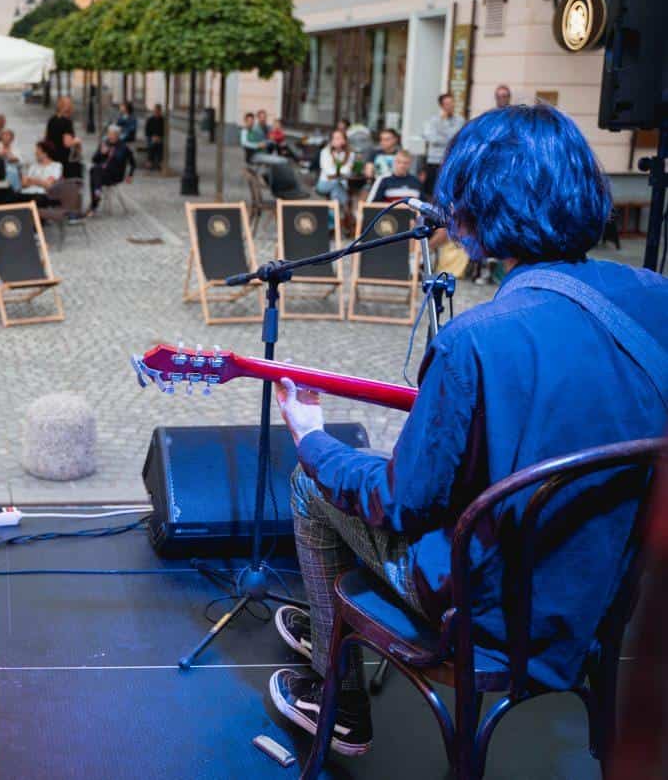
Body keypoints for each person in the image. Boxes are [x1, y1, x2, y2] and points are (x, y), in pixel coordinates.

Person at [266, 104, 668, 758]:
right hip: (601, 592)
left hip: (496, 614)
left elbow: (404, 505)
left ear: (478, 205)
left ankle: (338, 706)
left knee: (312, 484)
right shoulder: (656, 297)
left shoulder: (475, 343)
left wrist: (310, 436)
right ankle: (326, 627)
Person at [422, 93, 464, 197]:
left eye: (452, 102)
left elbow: (460, 138)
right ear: (442, 106)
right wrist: (450, 138)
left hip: (452, 160)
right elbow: (430, 138)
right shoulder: (433, 121)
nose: (451, 106)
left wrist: (441, 135)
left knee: (451, 190)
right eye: (447, 103)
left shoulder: (460, 120)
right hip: (435, 160)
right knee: (432, 191)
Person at [88, 125, 135, 212]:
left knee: (95, 171)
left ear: (117, 135)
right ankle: (96, 194)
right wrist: (101, 153)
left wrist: (130, 175)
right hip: (102, 174)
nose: (109, 136)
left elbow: (131, 162)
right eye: (109, 134)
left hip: (115, 174)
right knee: (94, 170)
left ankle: (95, 201)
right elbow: (94, 159)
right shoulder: (104, 143)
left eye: (112, 134)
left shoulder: (123, 146)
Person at [315, 127, 354, 211]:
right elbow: (328, 172)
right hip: (324, 183)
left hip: (341, 184)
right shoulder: (325, 152)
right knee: (337, 185)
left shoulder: (350, 153)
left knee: (335, 191)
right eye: (335, 138)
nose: (337, 141)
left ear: (345, 140)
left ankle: (333, 218)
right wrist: (341, 173)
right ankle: (348, 210)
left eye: (339, 138)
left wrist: (338, 173)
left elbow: (348, 171)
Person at [45, 96, 80, 172]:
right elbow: (67, 143)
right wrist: (77, 141)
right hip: (62, 157)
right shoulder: (67, 122)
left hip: (50, 154)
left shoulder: (52, 119)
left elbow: (46, 137)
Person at [144, 104, 165, 170]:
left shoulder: (163, 120)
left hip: (160, 138)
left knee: (159, 144)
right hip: (151, 138)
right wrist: (153, 137)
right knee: (152, 144)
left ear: (160, 111)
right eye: (155, 111)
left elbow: (164, 132)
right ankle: (151, 162)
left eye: (158, 111)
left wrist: (159, 137)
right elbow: (147, 131)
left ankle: (156, 162)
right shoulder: (150, 120)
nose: (156, 112)